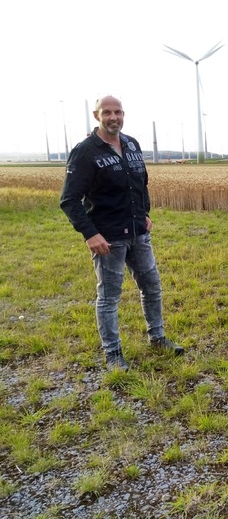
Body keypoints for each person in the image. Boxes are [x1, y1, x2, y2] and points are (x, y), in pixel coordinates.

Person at [60, 95, 183, 371]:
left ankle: (158, 337)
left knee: (152, 287)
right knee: (109, 297)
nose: (113, 117)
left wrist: (146, 212)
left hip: (138, 233)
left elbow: (141, 183)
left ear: (123, 115)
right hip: (108, 238)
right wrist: (90, 234)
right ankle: (113, 353)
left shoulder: (131, 144)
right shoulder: (86, 151)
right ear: (97, 116)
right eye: (107, 112)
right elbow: (69, 200)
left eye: (117, 112)